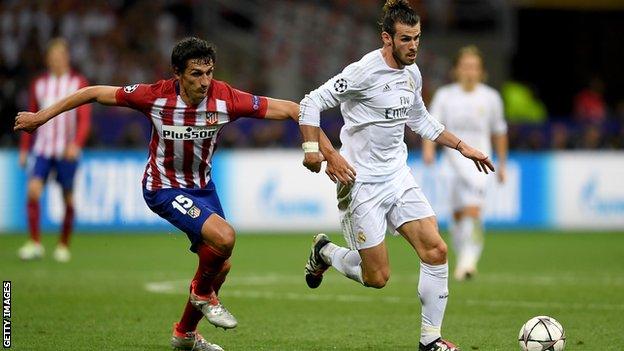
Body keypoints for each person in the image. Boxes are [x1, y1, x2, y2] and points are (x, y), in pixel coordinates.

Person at [15, 37, 351, 351]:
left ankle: (185, 333)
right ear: (177, 74)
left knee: (222, 265)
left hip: (202, 188)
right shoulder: (154, 96)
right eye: (195, 74)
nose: (205, 82)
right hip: (162, 187)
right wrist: (40, 118)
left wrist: (327, 152)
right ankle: (202, 295)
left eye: (209, 73)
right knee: (225, 237)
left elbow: (295, 109)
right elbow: (91, 92)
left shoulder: (226, 98)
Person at [297, 1, 495, 351]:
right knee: (378, 277)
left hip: (398, 176)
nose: (414, 46)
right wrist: (319, 152)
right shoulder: (361, 72)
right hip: (361, 184)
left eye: (417, 38)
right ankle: (325, 251)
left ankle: (429, 340)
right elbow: (310, 102)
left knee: (435, 249)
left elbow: (420, 120)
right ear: (386, 38)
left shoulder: (412, 73)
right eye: (405, 39)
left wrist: (463, 146)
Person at [422, 45, 508, 281]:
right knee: (458, 215)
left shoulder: (490, 97)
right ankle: (463, 259)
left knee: (473, 211)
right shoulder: (445, 96)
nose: (470, 71)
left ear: (482, 71)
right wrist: (429, 151)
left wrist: (502, 164)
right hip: (450, 164)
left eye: (474, 67)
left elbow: (499, 132)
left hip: (479, 163)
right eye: (465, 66)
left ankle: (468, 262)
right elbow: (431, 126)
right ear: (456, 70)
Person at [17, 38, 91, 263]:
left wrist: (76, 144)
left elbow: (84, 119)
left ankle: (63, 245)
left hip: (65, 152)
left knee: (68, 199)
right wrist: (24, 148)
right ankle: (35, 243)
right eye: (52, 57)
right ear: (48, 59)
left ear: (66, 57)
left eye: (60, 56)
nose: (56, 60)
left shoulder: (78, 83)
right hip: (42, 149)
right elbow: (29, 116)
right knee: (33, 191)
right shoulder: (39, 84)